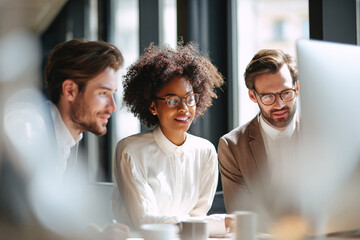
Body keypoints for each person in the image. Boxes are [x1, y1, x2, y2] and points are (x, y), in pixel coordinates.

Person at [2, 39, 129, 240]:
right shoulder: (32, 135)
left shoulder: (67, 141)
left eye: (112, 94)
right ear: (70, 90)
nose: (113, 106)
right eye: (103, 93)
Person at [112, 42, 227, 235]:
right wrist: (218, 224)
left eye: (189, 99)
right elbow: (145, 222)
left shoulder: (205, 151)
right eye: (172, 100)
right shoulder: (130, 150)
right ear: (153, 107)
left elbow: (197, 218)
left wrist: (202, 225)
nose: (184, 108)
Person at [218, 49, 300, 216]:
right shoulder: (232, 146)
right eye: (268, 97)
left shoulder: (321, 134)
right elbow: (241, 216)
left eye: (286, 93)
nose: (279, 105)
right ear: (252, 95)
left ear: (297, 88)